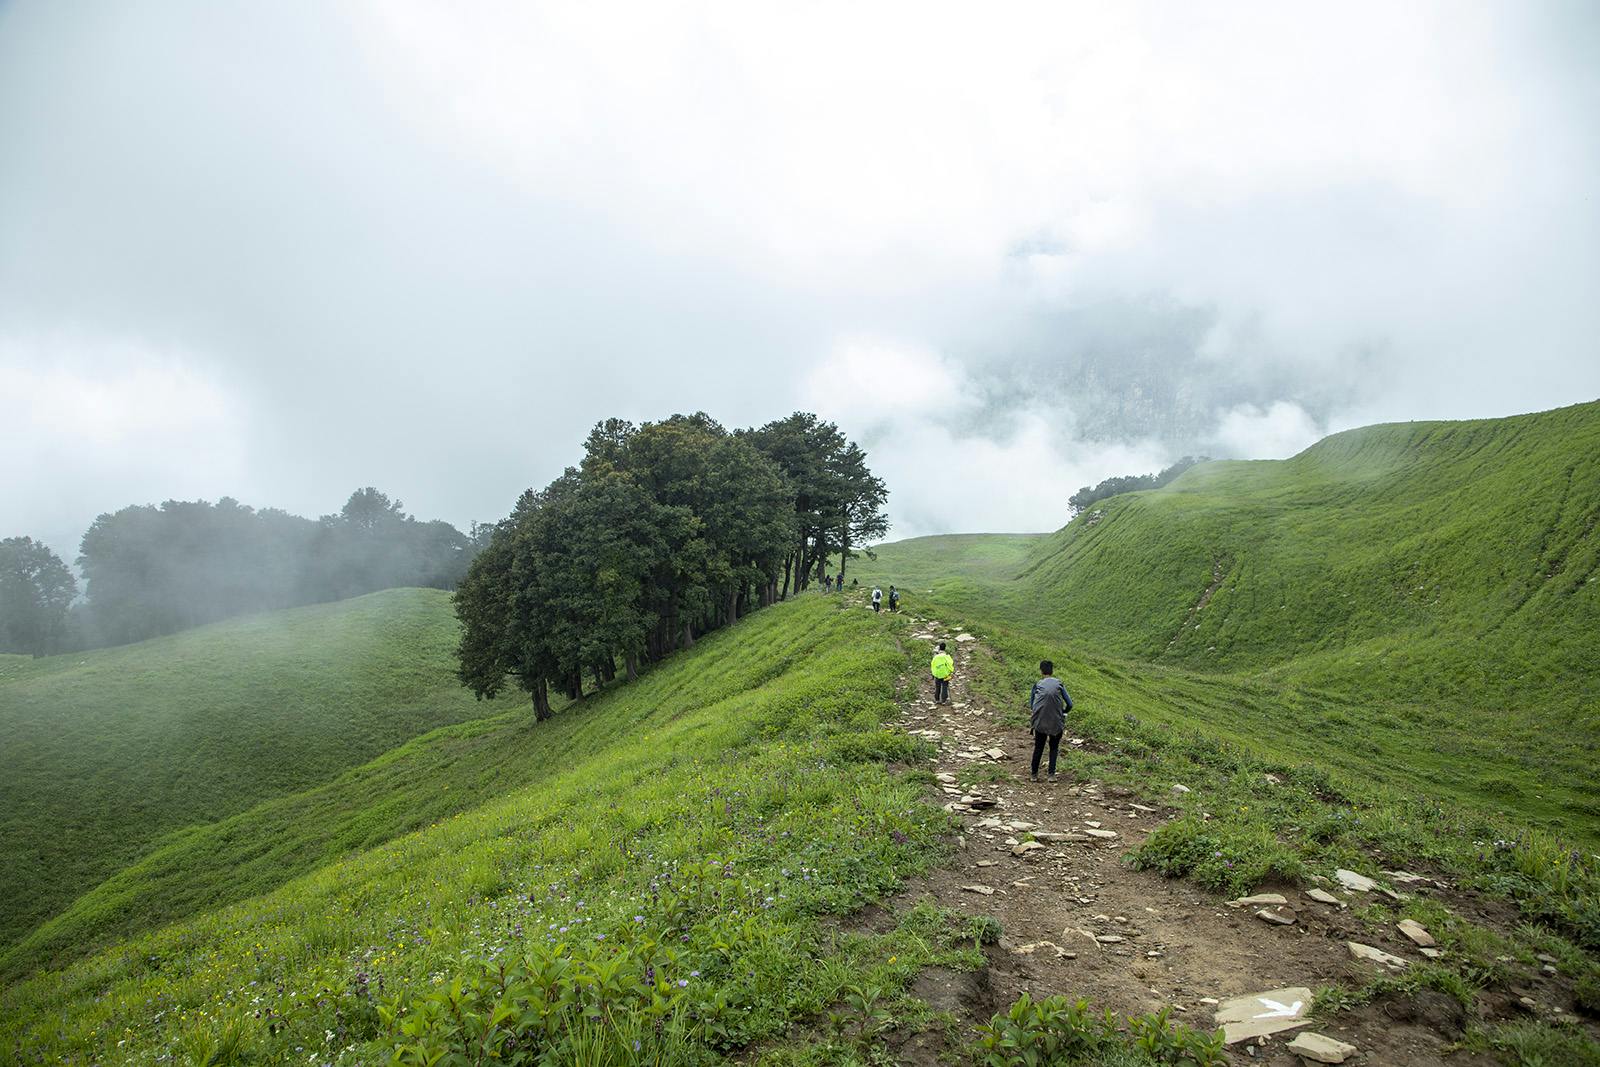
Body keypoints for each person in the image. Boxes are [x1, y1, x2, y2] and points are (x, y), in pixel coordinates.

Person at [1028, 659, 1073, 783]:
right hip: (1056, 722)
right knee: (1054, 747)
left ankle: (1034, 775)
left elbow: (1032, 705)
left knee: (1038, 747)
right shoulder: (1059, 684)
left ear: (1041, 671)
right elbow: (1070, 703)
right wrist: (1063, 712)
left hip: (1040, 721)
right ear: (1052, 671)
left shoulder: (1037, 685)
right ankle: (1051, 775)